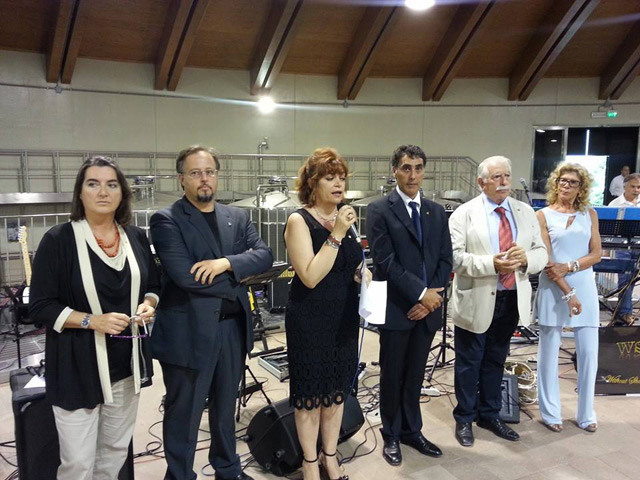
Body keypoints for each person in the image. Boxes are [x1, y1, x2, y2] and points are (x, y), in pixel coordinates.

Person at [29, 156, 160, 480]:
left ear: (122, 193)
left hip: (126, 366)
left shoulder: (136, 237)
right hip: (76, 367)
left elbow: (154, 285)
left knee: (113, 454)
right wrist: (92, 321)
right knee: (78, 464)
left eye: (111, 184)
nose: (103, 192)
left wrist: (148, 303)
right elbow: (41, 306)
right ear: (80, 192)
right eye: (93, 184)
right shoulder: (59, 240)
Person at [150, 146, 273, 480]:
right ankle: (179, 475)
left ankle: (227, 469)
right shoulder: (167, 220)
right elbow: (185, 276)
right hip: (188, 333)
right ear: (182, 179)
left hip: (232, 328)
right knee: (184, 413)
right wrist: (241, 275)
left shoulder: (237, 217)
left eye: (209, 172)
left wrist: (226, 263)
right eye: (195, 173)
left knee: (225, 408)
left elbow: (265, 255)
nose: (204, 179)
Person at [448, 156, 547, 447]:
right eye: (497, 177)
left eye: (507, 176)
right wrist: (492, 264)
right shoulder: (464, 214)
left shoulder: (525, 212)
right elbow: (454, 257)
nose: (504, 182)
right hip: (475, 299)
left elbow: (541, 252)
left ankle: (490, 414)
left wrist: (526, 259)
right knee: (469, 363)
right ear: (482, 182)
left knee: (495, 359)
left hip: (511, 298)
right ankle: (464, 417)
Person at [284, 148, 368, 480]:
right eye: (329, 178)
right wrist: (337, 234)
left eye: (342, 177)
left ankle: (329, 456)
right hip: (309, 320)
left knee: (335, 393)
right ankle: (309, 463)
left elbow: (349, 264)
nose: (338, 184)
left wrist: (361, 274)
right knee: (310, 396)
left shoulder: (345, 219)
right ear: (312, 184)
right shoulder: (299, 221)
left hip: (343, 318)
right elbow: (310, 275)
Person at [366, 145, 452, 467]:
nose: (412, 175)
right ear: (395, 171)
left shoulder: (436, 211)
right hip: (396, 308)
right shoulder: (379, 209)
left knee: (416, 374)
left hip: (428, 309)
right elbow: (385, 261)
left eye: (418, 168)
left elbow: (445, 258)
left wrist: (431, 300)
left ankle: (412, 430)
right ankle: (391, 433)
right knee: (392, 374)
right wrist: (420, 294)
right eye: (406, 168)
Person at [534, 162, 602, 433]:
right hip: (554, 287)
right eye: (562, 180)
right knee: (548, 352)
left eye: (572, 182)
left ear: (581, 188)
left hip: (584, 285)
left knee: (589, 353)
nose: (566, 185)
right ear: (555, 183)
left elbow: (596, 254)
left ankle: (586, 414)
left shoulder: (590, 214)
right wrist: (568, 292)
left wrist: (571, 266)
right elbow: (548, 262)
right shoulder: (542, 215)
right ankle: (551, 413)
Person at [608, 173, 640, 325]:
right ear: (624, 186)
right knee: (625, 279)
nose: (636, 190)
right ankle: (624, 314)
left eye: (639, 187)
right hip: (622, 246)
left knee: (633, 279)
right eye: (633, 187)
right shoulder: (615, 204)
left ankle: (624, 313)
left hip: (638, 245)